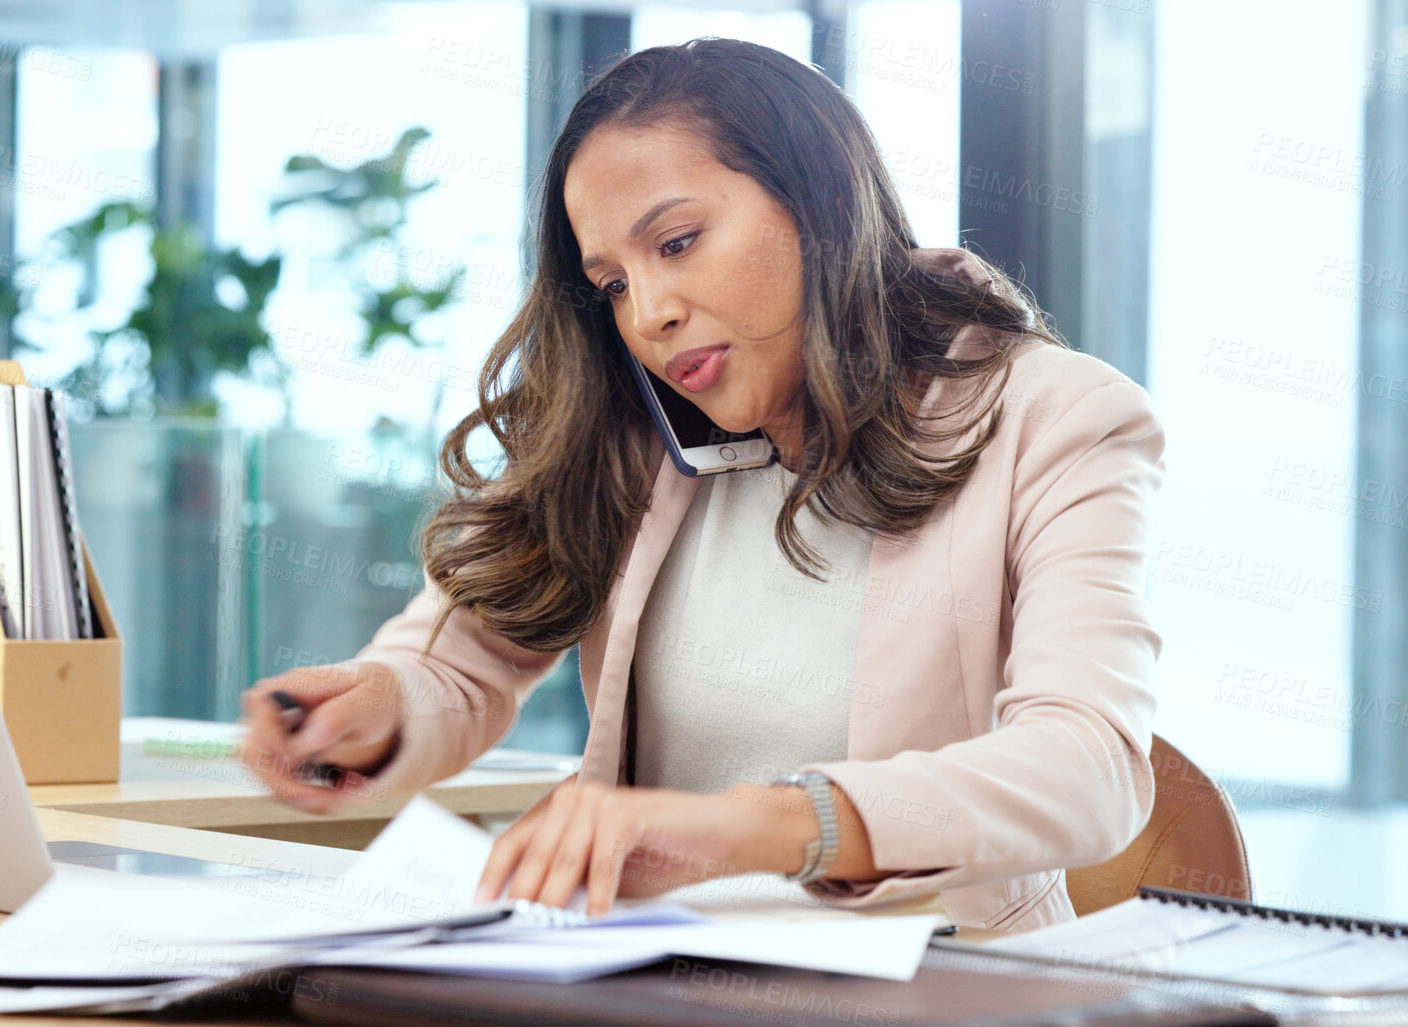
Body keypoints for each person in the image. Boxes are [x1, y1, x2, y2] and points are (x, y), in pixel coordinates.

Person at [237, 37, 1163, 933]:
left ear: (819, 203)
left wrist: (745, 829)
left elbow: (1088, 768)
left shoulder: (1058, 416)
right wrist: (373, 708)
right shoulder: (630, 420)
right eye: (609, 283)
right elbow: (455, 661)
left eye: (676, 242)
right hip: (639, 973)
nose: (647, 314)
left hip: (937, 980)